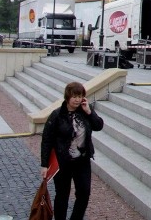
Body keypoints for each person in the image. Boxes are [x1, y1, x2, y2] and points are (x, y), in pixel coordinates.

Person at [41, 81, 104, 220]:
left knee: (84, 193)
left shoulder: (85, 112)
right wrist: (44, 164)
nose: (77, 99)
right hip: (62, 162)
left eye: (80, 96)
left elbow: (98, 126)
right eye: (74, 96)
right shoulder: (56, 115)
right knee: (62, 195)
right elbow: (46, 140)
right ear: (67, 97)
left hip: (82, 160)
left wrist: (89, 111)